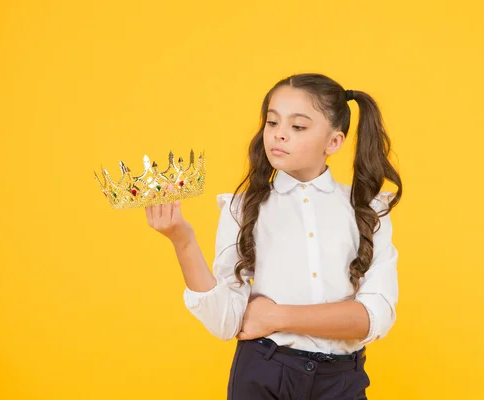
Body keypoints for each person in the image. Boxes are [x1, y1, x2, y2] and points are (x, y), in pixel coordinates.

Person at [144, 73, 402, 399]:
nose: (279, 135)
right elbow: (228, 323)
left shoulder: (368, 210)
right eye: (272, 122)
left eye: (297, 127)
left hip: (342, 382)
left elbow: (373, 318)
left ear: (333, 142)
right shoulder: (242, 209)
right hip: (264, 372)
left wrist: (277, 316)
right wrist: (183, 240)